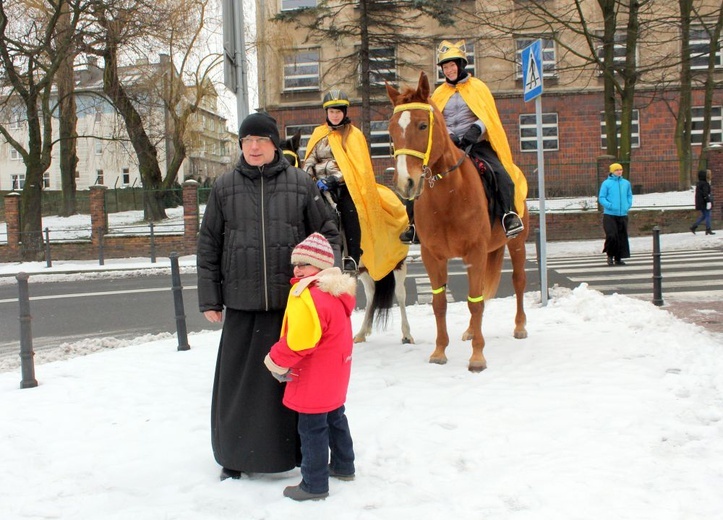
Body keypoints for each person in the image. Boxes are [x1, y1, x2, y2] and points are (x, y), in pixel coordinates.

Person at [196, 111, 341, 481]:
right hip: (242, 305)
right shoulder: (224, 187)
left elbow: (328, 233)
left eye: (260, 140)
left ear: (274, 144)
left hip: (290, 305)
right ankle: (234, 455)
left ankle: (293, 453)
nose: (254, 147)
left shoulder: (300, 184)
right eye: (247, 141)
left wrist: (323, 280)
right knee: (239, 389)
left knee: (291, 387)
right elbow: (208, 245)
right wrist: (210, 298)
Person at [264, 232, 357, 501]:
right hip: (336, 370)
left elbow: (301, 340)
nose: (297, 269)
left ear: (322, 266)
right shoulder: (335, 294)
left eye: (304, 264)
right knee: (335, 417)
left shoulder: (307, 295)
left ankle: (314, 484)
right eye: (296, 263)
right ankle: (343, 464)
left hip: (314, 373)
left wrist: (275, 359)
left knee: (312, 427)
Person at [303, 89, 409, 280]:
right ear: (326, 113)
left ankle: (352, 255)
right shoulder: (318, 134)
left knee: (350, 209)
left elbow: (355, 167)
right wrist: (308, 177)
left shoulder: (354, 135)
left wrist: (335, 179)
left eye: (338, 112)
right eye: (331, 112)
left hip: (343, 185)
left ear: (344, 112)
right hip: (317, 184)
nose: (334, 115)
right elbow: (309, 158)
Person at [430, 40, 527, 238]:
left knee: (500, 173)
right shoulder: (439, 93)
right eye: (445, 67)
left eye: (452, 65)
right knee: (423, 175)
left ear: (461, 65)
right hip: (449, 145)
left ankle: (508, 215)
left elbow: (489, 115)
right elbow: (436, 119)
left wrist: (476, 128)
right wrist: (449, 134)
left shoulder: (478, 87)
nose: (449, 70)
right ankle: (414, 224)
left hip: (476, 144)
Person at [599, 162, 633, 266]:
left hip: (622, 214)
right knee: (612, 235)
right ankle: (610, 255)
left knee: (621, 236)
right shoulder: (606, 183)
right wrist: (609, 205)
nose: (619, 172)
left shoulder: (626, 183)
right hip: (610, 214)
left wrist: (627, 205)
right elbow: (601, 197)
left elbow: (629, 196)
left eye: (620, 170)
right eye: (617, 170)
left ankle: (618, 258)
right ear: (612, 172)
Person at [690, 169, 715, 235]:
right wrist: (708, 201)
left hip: (700, 202)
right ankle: (708, 229)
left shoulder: (699, 183)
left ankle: (694, 226)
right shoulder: (705, 184)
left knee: (704, 215)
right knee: (708, 215)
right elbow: (705, 193)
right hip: (704, 202)